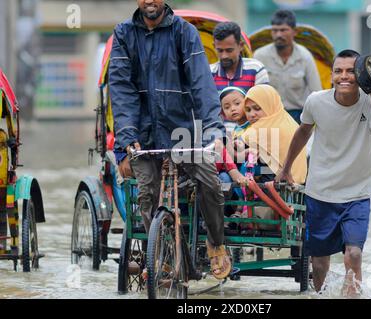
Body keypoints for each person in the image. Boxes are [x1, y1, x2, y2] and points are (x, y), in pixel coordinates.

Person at [109, 0, 231, 280]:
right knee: (146, 194)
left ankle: (216, 242)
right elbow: (121, 89)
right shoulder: (124, 34)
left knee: (210, 182)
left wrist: (213, 128)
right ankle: (163, 253)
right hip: (143, 133)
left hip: (184, 130)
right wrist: (127, 135)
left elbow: (202, 83)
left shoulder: (184, 32)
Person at [276, 49, 371, 297]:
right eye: (338, 71)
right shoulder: (316, 101)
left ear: (362, 75)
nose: (344, 76)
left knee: (355, 254)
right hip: (321, 193)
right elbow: (303, 133)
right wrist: (285, 168)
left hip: (357, 194)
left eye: (351, 71)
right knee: (318, 264)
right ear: (331, 76)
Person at [253, 9, 322, 124]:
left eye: (283, 30)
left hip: (298, 117)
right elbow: (254, 92)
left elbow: (316, 92)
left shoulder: (305, 56)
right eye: (275, 30)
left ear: (294, 32)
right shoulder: (260, 56)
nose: (279, 34)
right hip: (269, 116)